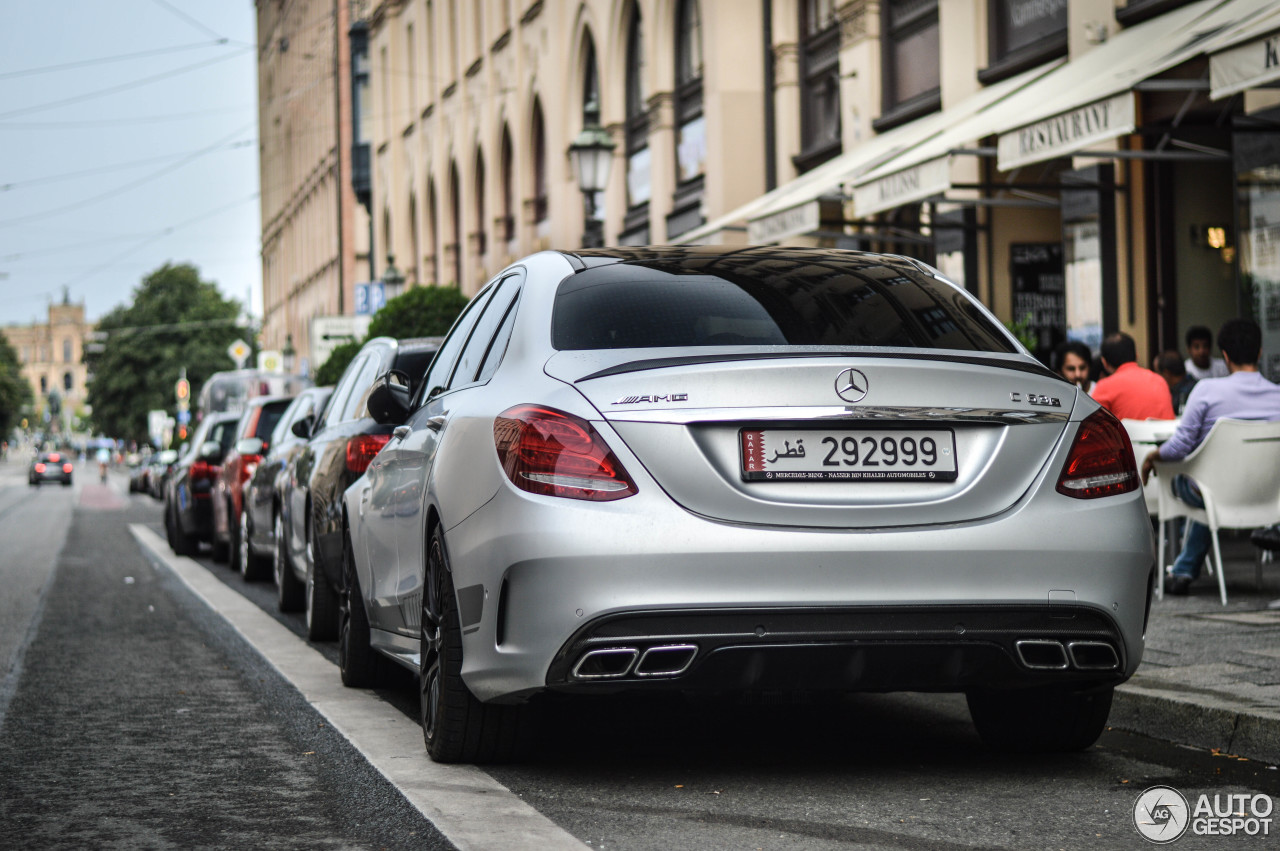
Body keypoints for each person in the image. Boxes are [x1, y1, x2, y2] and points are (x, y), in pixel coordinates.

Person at [1141, 319, 1280, 595]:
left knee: (1196, 482)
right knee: (1209, 484)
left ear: (1225, 356)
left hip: (1214, 491)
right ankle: (1183, 569)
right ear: (1260, 352)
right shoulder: (1277, 396)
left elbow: (1180, 446)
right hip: (1267, 493)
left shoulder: (1206, 390)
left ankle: (1182, 571)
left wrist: (1152, 457)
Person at [1090, 332, 1175, 420]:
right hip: (1165, 433)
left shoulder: (1104, 387)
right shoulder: (1160, 380)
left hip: (1131, 434)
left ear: (1104, 362)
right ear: (1136, 356)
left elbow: (1092, 426)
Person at [1154, 350, 1197, 415]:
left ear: (1166, 373)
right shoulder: (1195, 384)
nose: (1156, 378)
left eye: (1157, 373)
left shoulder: (1181, 397)